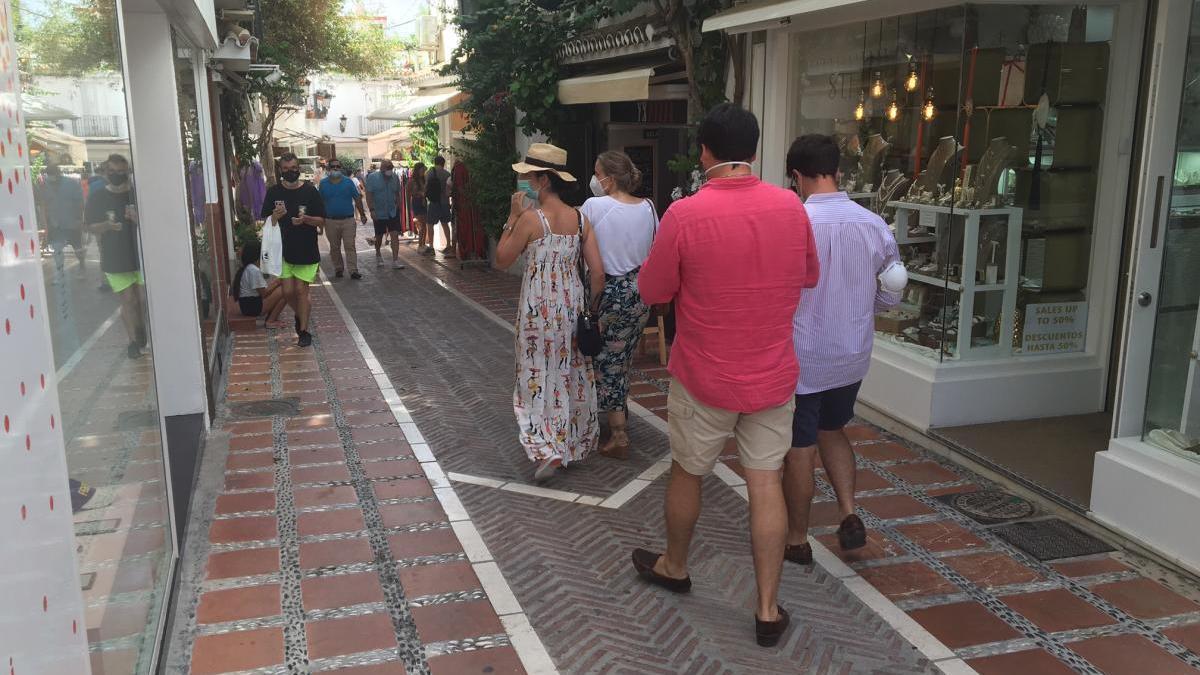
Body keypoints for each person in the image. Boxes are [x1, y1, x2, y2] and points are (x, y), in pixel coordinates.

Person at [629, 104, 819, 648]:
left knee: (688, 472)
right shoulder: (790, 206)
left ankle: (675, 565)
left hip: (704, 374)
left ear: (705, 152)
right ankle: (765, 608)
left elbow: (653, 292)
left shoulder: (685, 214)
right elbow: (809, 275)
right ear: (755, 151)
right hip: (772, 374)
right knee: (765, 483)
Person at [782, 134, 902, 565]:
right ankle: (849, 512)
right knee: (833, 430)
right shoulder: (872, 224)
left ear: (797, 176)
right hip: (852, 352)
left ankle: (796, 537)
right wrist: (864, 308)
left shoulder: (795, 223)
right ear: (837, 171)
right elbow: (893, 289)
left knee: (800, 443)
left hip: (803, 355)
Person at [495, 143, 605, 482]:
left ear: (543, 180)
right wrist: (591, 310)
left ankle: (547, 448)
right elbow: (598, 273)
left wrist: (511, 218)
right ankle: (567, 442)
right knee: (567, 373)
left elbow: (501, 259)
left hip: (537, 310)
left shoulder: (530, 219)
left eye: (529, 175)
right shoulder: (580, 218)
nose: (525, 181)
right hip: (571, 306)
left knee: (535, 374)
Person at [580, 151, 657, 459]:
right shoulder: (649, 207)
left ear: (608, 179)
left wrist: (593, 304)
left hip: (609, 289)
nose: (594, 180)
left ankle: (618, 432)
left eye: (597, 173)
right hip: (640, 292)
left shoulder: (594, 206)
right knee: (621, 358)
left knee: (606, 363)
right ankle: (618, 414)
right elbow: (656, 249)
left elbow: (584, 255)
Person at [85, 154, 148, 359]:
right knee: (128, 300)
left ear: (128, 173)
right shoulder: (97, 197)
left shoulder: (137, 195)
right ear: (105, 172)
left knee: (142, 299)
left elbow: (155, 222)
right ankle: (132, 342)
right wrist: (107, 226)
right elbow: (89, 226)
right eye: (112, 172)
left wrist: (138, 219)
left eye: (121, 172)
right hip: (115, 258)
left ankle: (141, 331)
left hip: (140, 256)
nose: (117, 176)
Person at [260, 152, 326, 347]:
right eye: (286, 169)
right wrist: (275, 216)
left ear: (299, 169)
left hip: (306, 248)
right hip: (283, 250)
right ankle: (300, 314)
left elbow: (322, 219)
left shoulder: (310, 191)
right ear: (281, 170)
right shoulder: (273, 192)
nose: (291, 172)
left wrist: (305, 219)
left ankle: (304, 331)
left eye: (294, 168)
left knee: (300, 291)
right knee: (287, 292)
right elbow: (265, 220)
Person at [319, 158, 367, 280]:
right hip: (330, 221)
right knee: (334, 247)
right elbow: (320, 202)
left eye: (338, 166)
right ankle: (338, 268)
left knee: (350, 245)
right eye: (333, 166)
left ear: (341, 168)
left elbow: (357, 198)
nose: (336, 168)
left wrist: (362, 214)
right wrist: (320, 221)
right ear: (328, 169)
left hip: (348, 220)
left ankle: (353, 270)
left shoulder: (348, 182)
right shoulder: (323, 184)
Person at [38, 163, 87, 272]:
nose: (51, 176)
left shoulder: (72, 183)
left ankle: (82, 264)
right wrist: (45, 223)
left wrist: (80, 220)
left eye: (52, 174)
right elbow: (43, 204)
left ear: (58, 173)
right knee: (57, 248)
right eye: (48, 174)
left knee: (77, 247)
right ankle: (60, 273)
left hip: (72, 222)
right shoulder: (45, 185)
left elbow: (80, 203)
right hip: (55, 224)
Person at [363, 159, 405, 269]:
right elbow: (369, 195)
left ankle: (395, 260)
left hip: (392, 211)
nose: (389, 170)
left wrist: (399, 206)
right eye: (387, 168)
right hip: (379, 212)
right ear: (381, 169)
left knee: (395, 235)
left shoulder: (395, 177)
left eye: (391, 168)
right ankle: (378, 254)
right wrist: (371, 210)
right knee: (379, 236)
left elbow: (397, 193)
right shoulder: (372, 178)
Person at [231, 240, 285, 321]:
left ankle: (271, 318)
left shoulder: (248, 268)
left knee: (281, 289)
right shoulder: (253, 270)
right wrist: (278, 282)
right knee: (285, 291)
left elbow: (263, 290)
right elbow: (264, 293)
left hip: (247, 306)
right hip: (253, 308)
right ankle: (271, 320)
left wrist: (276, 282)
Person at [427, 155, 454, 257]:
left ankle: (431, 247)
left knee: (430, 224)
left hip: (434, 202)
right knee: (445, 224)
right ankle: (448, 245)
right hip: (445, 202)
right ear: (443, 163)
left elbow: (426, 186)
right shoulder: (448, 174)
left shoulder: (430, 173)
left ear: (435, 162)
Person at [410, 163, 432, 255]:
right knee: (421, 225)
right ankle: (420, 245)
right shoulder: (412, 181)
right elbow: (411, 194)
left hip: (423, 202)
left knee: (424, 224)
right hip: (417, 203)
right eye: (422, 170)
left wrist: (424, 194)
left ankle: (423, 244)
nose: (423, 172)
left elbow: (425, 191)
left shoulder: (423, 179)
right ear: (418, 170)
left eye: (424, 170)